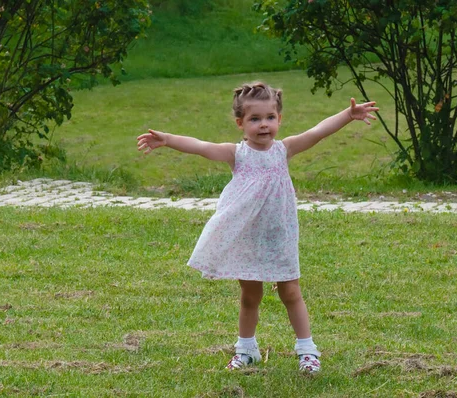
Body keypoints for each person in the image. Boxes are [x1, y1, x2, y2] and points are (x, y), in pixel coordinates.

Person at [136, 82, 378, 373]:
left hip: (279, 236)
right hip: (247, 237)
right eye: (254, 119)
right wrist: (167, 139)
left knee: (291, 292)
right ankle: (246, 349)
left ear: (279, 119)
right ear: (240, 123)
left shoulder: (283, 150)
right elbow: (201, 147)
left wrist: (347, 115)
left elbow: (318, 131)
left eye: (270, 118)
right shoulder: (236, 154)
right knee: (250, 295)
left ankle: (307, 350)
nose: (263, 125)